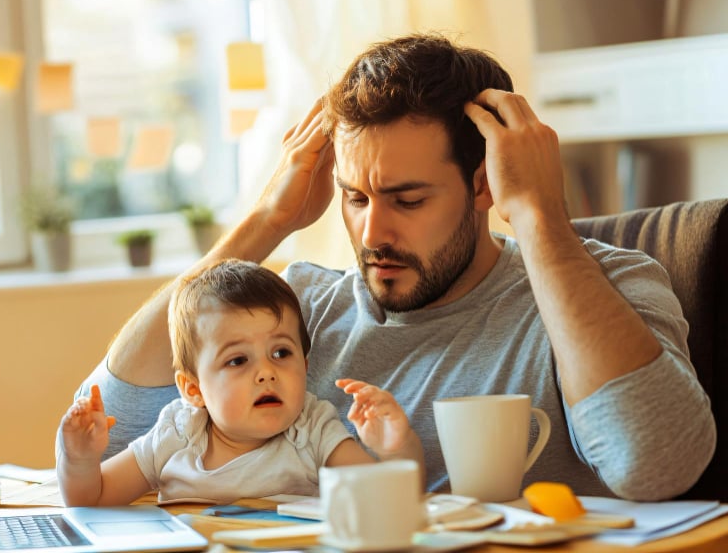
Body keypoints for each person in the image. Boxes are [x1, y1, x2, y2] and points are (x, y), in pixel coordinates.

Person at [67, 33, 715, 501]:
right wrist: (269, 219)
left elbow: (657, 466)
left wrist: (541, 217)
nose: (372, 232)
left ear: (485, 182)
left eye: (407, 199)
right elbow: (117, 422)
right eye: (355, 198)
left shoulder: (614, 285)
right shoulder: (299, 310)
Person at [56, 259, 423, 506]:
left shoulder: (312, 431)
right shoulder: (178, 434)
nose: (266, 372)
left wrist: (396, 448)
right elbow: (92, 498)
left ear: (305, 365)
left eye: (281, 353)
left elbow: (393, 499)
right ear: (193, 390)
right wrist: (79, 459)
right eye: (237, 360)